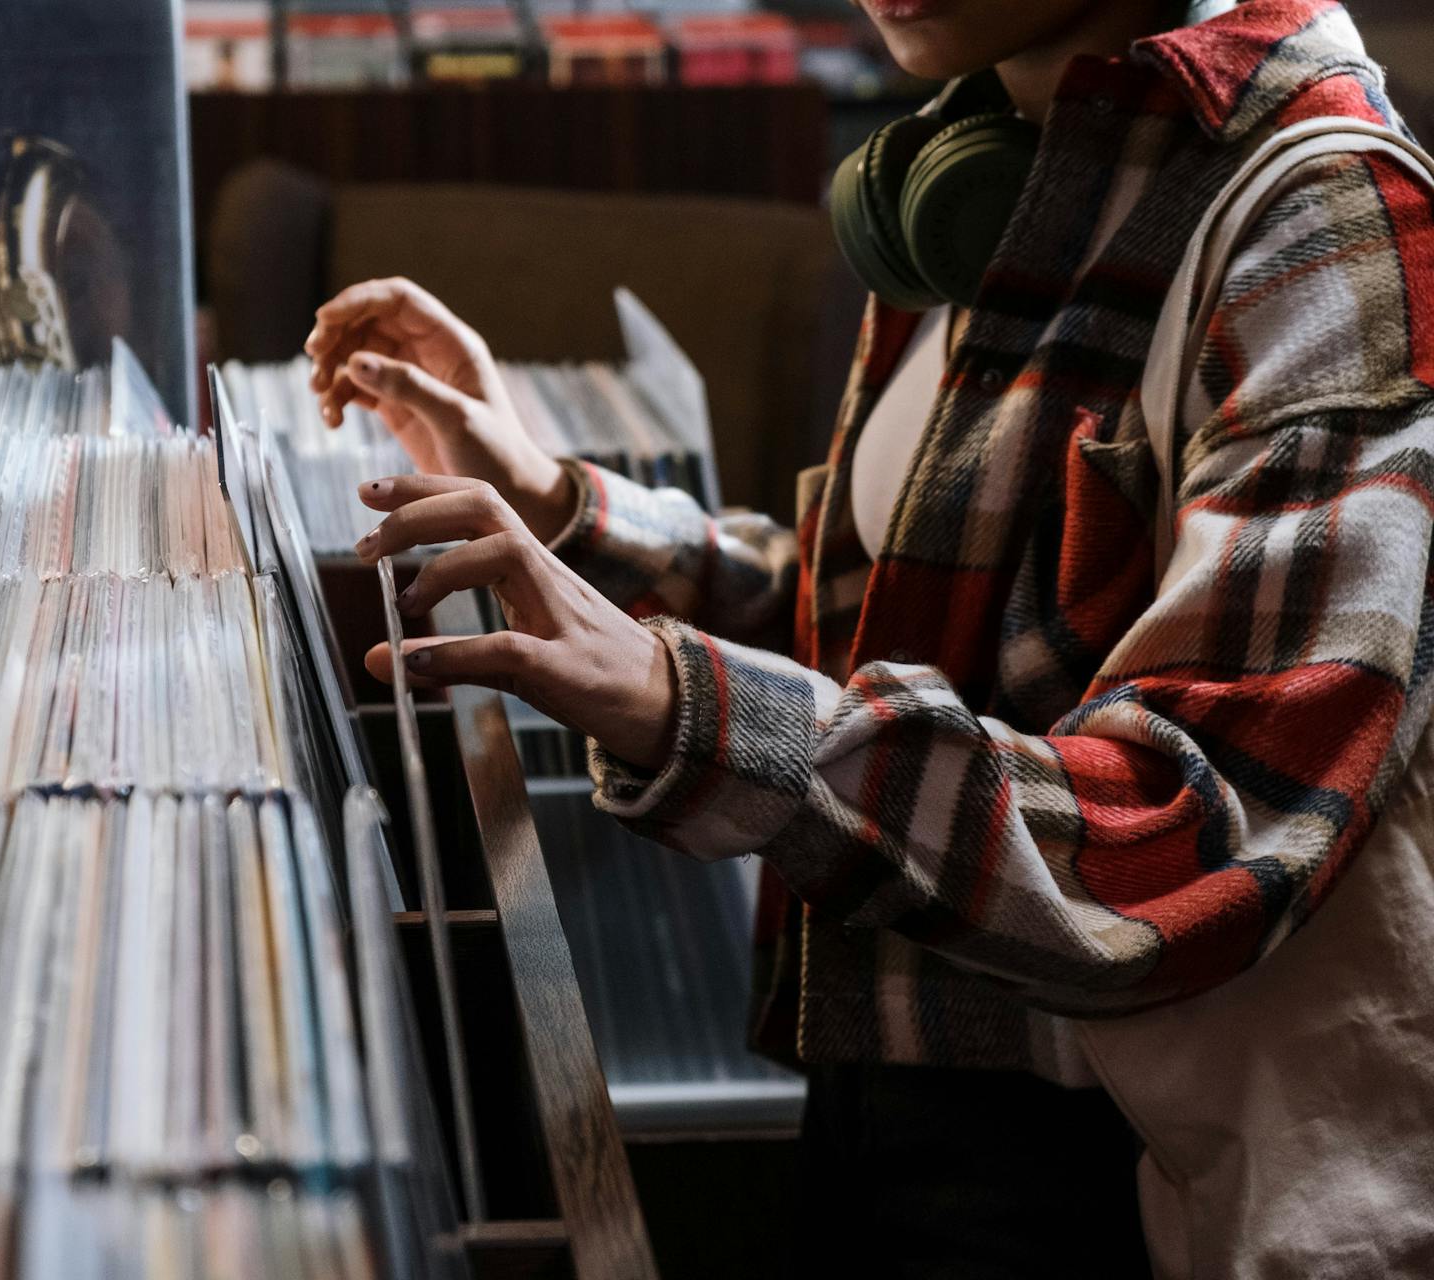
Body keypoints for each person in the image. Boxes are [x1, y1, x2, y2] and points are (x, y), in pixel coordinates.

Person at [305, 0, 1434, 1273]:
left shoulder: (1321, 217)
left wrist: (697, 706)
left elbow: (1203, 823)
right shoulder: (986, 167)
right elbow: (905, 633)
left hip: (1104, 1170)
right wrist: (570, 508)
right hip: (880, 1089)